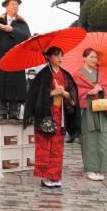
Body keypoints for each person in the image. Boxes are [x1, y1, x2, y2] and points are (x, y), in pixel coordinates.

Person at [23, 47, 78, 188]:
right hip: (46, 116)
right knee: (45, 146)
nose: (60, 58)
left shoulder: (65, 75)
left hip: (61, 116)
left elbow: (72, 94)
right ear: (48, 57)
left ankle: (55, 176)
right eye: (56, 55)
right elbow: (34, 95)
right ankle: (45, 177)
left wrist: (65, 94)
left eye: (61, 55)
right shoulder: (42, 75)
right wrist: (51, 92)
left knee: (57, 148)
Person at [72, 48, 107, 181]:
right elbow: (74, 93)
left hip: (100, 108)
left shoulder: (101, 74)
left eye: (95, 57)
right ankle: (90, 168)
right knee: (89, 138)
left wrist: (102, 89)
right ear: (83, 58)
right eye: (91, 57)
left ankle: (101, 168)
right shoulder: (77, 75)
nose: (94, 59)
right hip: (87, 110)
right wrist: (87, 92)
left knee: (102, 138)